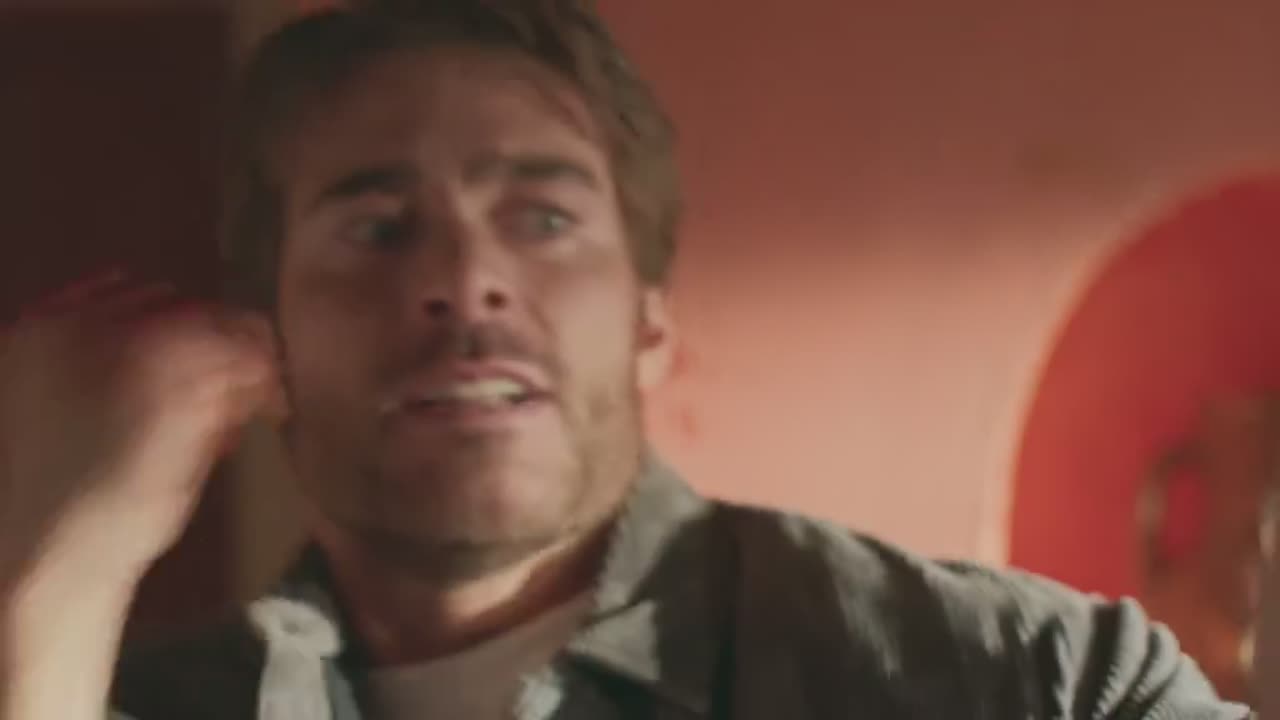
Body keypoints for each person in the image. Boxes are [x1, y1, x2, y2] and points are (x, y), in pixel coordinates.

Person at [0, 1, 1254, 718]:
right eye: (375, 227)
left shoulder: (1024, 684)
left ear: (650, 327)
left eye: (541, 217)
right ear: (263, 340)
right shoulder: (105, 695)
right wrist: (48, 588)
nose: (463, 279)